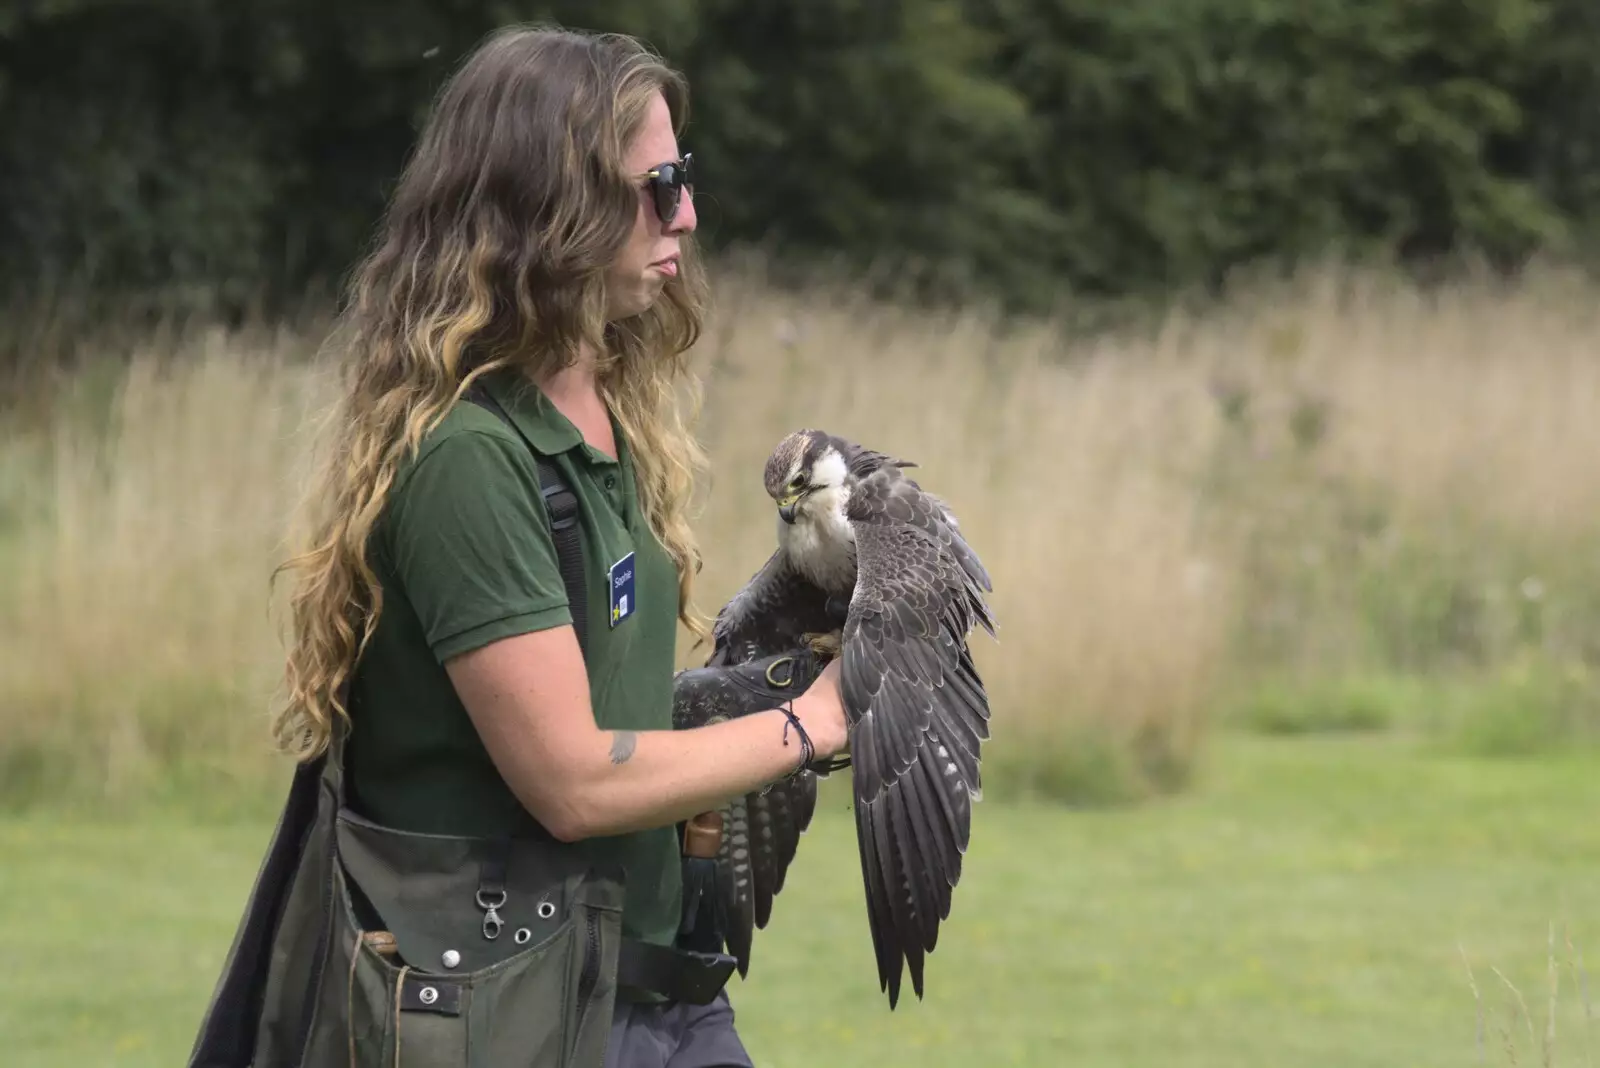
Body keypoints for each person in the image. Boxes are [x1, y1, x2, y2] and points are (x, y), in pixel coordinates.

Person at [268, 24, 850, 1068]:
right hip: (524, 1017)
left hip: (661, 993)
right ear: (551, 206)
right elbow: (572, 783)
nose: (688, 214)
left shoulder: (601, 420)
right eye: (655, 186)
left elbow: (606, 708)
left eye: (686, 177)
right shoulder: (468, 461)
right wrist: (814, 722)